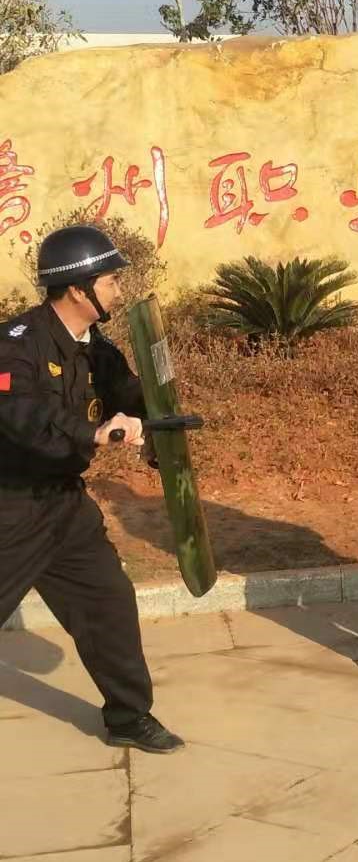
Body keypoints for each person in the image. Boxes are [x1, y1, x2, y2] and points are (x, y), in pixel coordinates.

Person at [0, 225, 183, 753]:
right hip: (9, 504)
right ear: (79, 289)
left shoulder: (95, 349)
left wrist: (157, 430)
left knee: (108, 602)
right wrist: (93, 433)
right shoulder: (16, 345)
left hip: (64, 505)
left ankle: (128, 716)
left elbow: (131, 394)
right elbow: (21, 416)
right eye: (110, 281)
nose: (119, 290)